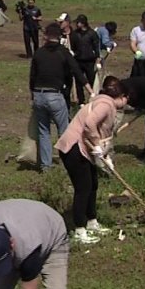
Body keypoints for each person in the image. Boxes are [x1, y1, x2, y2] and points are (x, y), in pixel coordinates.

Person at [56, 77, 128, 244]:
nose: (126, 102)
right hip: (73, 149)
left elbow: (102, 135)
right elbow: (89, 124)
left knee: (93, 184)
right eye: (126, 98)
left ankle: (92, 221)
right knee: (83, 188)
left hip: (84, 150)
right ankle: (80, 230)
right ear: (122, 96)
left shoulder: (103, 102)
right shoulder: (106, 104)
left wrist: (105, 156)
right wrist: (96, 146)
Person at [30, 23, 90, 170]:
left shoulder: (39, 53)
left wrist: (32, 95)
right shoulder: (63, 52)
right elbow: (76, 70)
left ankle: (46, 166)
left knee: (44, 132)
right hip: (55, 96)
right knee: (64, 131)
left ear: (45, 36)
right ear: (59, 36)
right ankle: (68, 162)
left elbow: (32, 76)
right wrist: (89, 89)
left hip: (39, 94)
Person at [68, 15, 101, 104]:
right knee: (79, 81)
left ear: (83, 23)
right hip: (78, 60)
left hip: (89, 61)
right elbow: (72, 46)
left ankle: (94, 98)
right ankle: (81, 101)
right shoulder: (75, 34)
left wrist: (98, 59)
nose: (76, 24)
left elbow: (96, 46)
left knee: (91, 80)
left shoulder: (92, 33)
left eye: (78, 22)